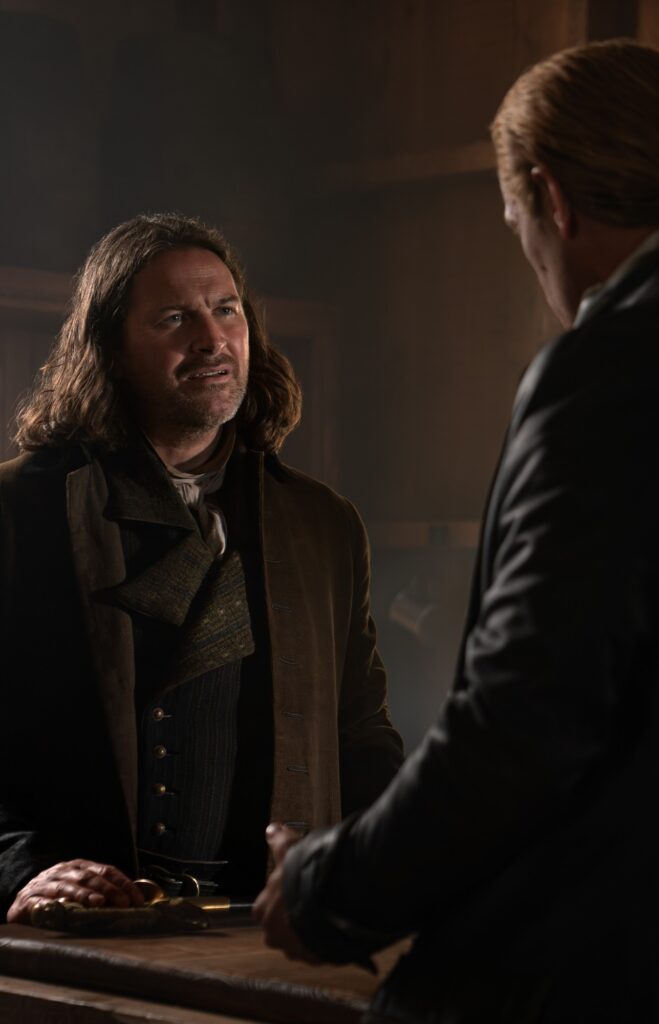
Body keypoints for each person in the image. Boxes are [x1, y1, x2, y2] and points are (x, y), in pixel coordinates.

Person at [254, 41, 659, 1022]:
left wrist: (326, 885)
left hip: (613, 975)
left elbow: (523, 723)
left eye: (515, 222)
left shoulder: (614, 368)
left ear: (552, 199)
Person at [0, 213, 403, 922]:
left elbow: (361, 739)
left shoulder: (321, 524)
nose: (212, 339)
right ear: (111, 347)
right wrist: (21, 871)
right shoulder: (19, 508)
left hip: (268, 929)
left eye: (226, 310)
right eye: (174, 318)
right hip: (77, 930)